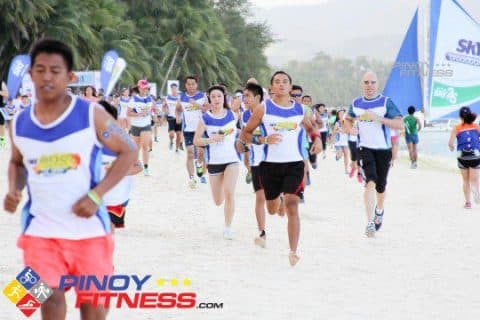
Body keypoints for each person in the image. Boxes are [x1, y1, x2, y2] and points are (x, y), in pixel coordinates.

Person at [3, 38, 137, 320]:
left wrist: (96, 195)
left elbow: (129, 151)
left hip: (89, 230)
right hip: (40, 230)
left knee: (93, 307)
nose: (47, 77)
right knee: (46, 298)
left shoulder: (93, 115)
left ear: (70, 77)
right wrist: (14, 189)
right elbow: (17, 162)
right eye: (40, 70)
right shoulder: (18, 124)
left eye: (55, 70)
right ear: (30, 75)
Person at [238, 71, 322, 266]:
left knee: (293, 205)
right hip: (269, 166)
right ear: (272, 87)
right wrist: (264, 139)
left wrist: (316, 139)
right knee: (273, 209)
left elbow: (310, 128)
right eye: (277, 82)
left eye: (285, 82)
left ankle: (293, 251)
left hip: (294, 164)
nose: (282, 84)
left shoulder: (299, 109)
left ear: (290, 87)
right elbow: (245, 133)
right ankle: (280, 199)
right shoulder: (263, 109)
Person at [344, 71, 404, 238]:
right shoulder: (356, 103)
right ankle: (370, 222)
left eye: (372, 82)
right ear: (362, 84)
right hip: (365, 148)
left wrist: (380, 118)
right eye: (366, 82)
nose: (369, 85)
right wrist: (350, 129)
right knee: (370, 181)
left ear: (377, 84)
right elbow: (347, 120)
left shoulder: (386, 102)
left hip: (383, 150)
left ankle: (379, 210)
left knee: (381, 186)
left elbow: (400, 124)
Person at [193, 85, 240, 239]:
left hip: (232, 160)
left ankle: (228, 228)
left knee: (230, 193)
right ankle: (225, 206)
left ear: (224, 98)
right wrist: (212, 139)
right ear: (209, 99)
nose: (216, 99)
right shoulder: (205, 118)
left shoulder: (233, 115)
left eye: (219, 96)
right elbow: (196, 140)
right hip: (214, 162)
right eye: (213, 96)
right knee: (218, 200)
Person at [98, 100, 142, 228]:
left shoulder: (123, 142)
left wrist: (118, 171)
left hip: (118, 198)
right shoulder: (85, 140)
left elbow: (138, 167)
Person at [241, 83, 272, 248]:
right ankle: (262, 233)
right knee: (260, 197)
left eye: (247, 96)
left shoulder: (269, 113)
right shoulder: (244, 116)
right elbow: (244, 137)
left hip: (275, 160)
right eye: (243, 96)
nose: (244, 99)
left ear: (258, 98)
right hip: (256, 162)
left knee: (274, 202)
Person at [177, 76, 208, 187]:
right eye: (189, 84)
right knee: (190, 153)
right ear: (185, 85)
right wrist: (178, 116)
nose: (191, 86)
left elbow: (206, 109)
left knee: (200, 153)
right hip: (188, 130)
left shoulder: (202, 96)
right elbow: (178, 108)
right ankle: (191, 178)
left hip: (200, 129)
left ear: (196, 85)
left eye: (193, 84)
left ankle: (199, 164)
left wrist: (195, 104)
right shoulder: (182, 97)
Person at [448, 106, 480, 209]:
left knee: (465, 181)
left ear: (460, 117)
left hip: (462, 156)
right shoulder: (476, 126)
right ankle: (476, 191)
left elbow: (450, 143)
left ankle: (468, 203)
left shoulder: (456, 127)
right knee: (474, 180)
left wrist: (452, 147)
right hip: (475, 155)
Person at [127, 79, 154, 176]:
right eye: (142, 88)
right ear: (138, 88)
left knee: (145, 146)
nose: (144, 90)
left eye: (146, 88)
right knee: (136, 148)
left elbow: (150, 110)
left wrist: (155, 113)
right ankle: (135, 164)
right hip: (135, 126)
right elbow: (128, 113)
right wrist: (138, 114)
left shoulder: (150, 98)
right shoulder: (133, 99)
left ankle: (146, 168)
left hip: (146, 125)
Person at [163, 83, 183, 152]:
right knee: (171, 134)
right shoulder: (167, 97)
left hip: (179, 118)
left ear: (177, 89)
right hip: (171, 117)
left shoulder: (180, 97)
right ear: (171, 89)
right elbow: (164, 106)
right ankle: (171, 141)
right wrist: (166, 111)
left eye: (175, 88)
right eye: (173, 88)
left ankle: (177, 149)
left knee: (178, 135)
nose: (174, 90)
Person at [333, 108, 350, 174]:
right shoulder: (337, 123)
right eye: (340, 114)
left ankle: (346, 169)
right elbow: (334, 131)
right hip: (338, 141)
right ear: (338, 115)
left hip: (345, 141)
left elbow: (350, 130)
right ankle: (337, 156)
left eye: (343, 113)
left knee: (346, 155)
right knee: (340, 155)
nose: (342, 115)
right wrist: (339, 130)